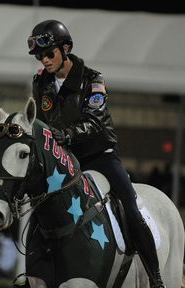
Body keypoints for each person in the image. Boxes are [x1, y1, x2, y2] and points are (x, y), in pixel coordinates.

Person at [27, 19, 165, 288]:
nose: (44, 60)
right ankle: (32, 277)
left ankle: (156, 277)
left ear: (65, 48)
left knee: (130, 207)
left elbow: (95, 121)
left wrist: (64, 135)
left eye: (49, 53)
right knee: (38, 211)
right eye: (40, 56)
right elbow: (42, 121)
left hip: (99, 155)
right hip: (65, 160)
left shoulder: (93, 79)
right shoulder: (40, 82)